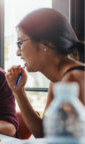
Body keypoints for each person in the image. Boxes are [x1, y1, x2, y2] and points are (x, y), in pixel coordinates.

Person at [5, 8, 85, 138]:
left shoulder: (74, 79)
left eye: (20, 43)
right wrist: (18, 92)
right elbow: (43, 134)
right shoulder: (58, 80)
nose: (18, 53)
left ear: (45, 43)